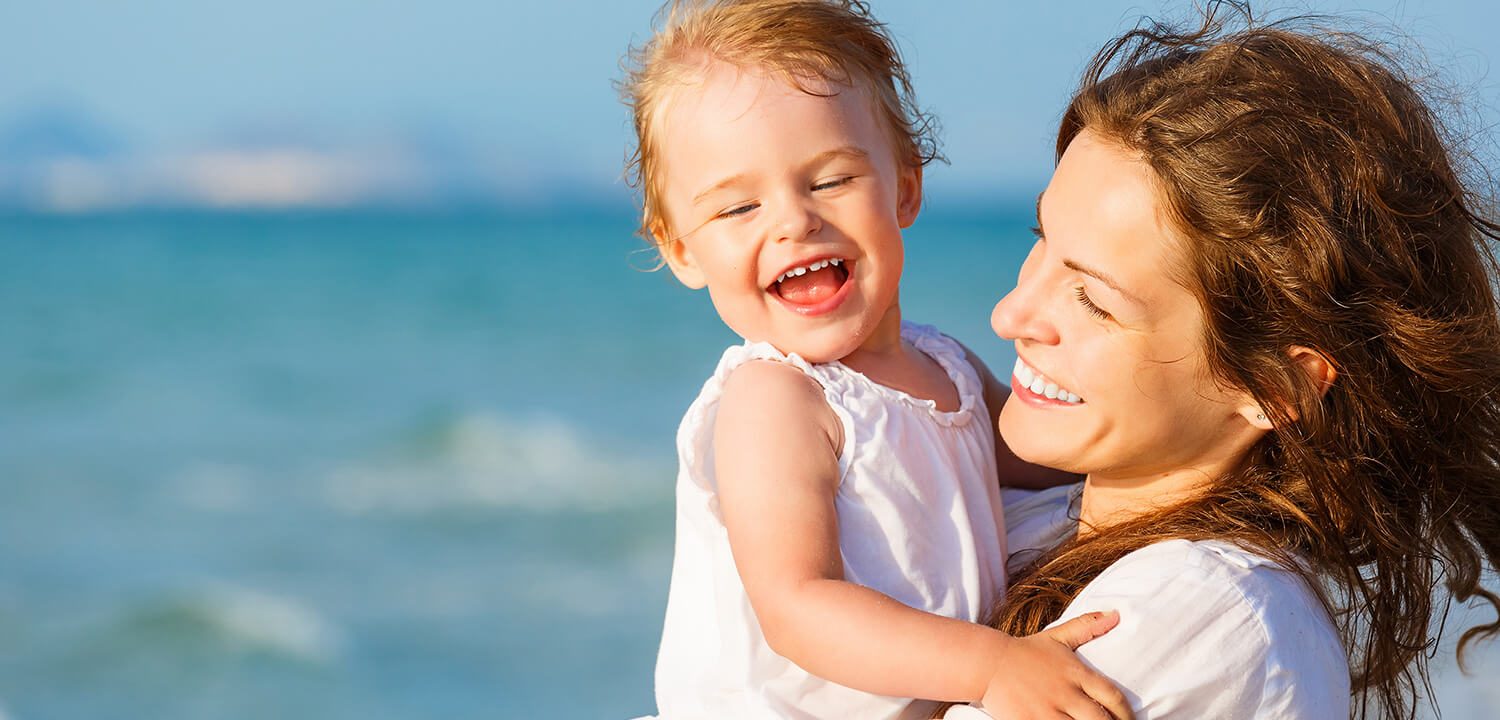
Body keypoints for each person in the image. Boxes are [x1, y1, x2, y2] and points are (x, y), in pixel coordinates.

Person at [945, 4, 1500, 718]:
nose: (1009, 315)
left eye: (1093, 300)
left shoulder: (1202, 614)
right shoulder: (1047, 525)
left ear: (1273, 383)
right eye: (1039, 237)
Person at [620, 1, 1132, 718]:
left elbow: (1047, 460)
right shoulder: (775, 400)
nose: (794, 221)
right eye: (738, 209)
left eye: (829, 181)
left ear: (905, 188)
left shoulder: (946, 366)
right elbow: (798, 605)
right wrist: (993, 666)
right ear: (682, 251)